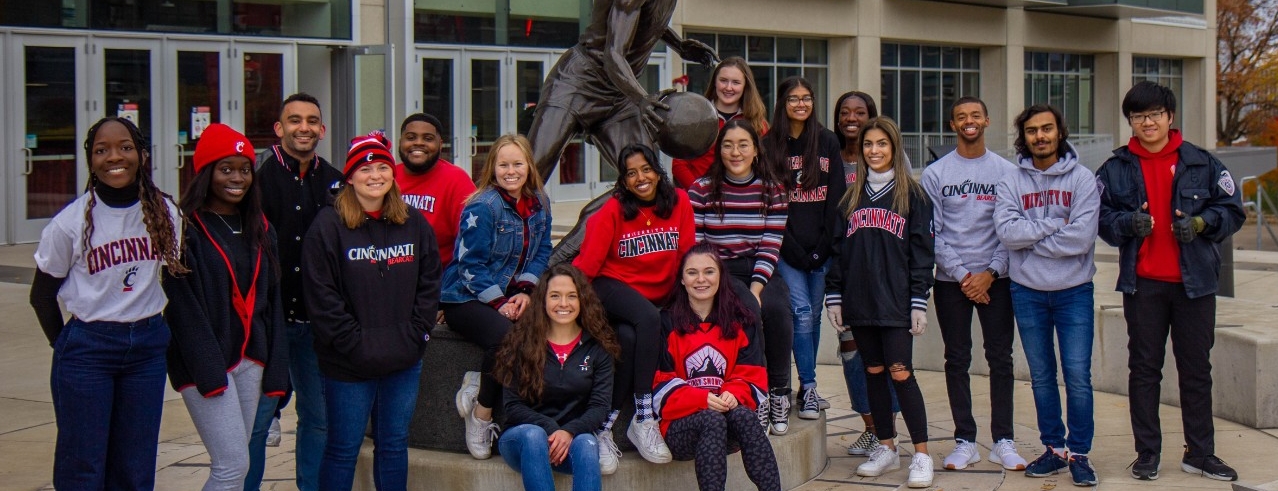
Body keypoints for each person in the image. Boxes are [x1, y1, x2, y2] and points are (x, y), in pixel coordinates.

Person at [1096, 81, 1244, 482]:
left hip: (1194, 285)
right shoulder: (1115, 168)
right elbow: (1100, 220)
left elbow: (1232, 211)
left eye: (1155, 114)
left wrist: (1202, 223)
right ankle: (1147, 452)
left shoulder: (1203, 162)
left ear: (1170, 117)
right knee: (1144, 370)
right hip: (1143, 285)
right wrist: (1128, 223)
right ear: (1131, 121)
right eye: (1139, 116)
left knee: (1196, 370)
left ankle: (1200, 453)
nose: (1148, 122)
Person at [29, 116, 185, 489]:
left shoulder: (165, 213)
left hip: (146, 349)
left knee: (135, 464)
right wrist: (66, 345)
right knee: (83, 464)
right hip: (88, 349)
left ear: (142, 155)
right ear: (91, 159)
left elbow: (173, 281)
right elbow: (41, 296)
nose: (115, 156)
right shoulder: (70, 223)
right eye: (102, 150)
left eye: (125, 147)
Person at [527, 0, 717, 263]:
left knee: (649, 182)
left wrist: (679, 45)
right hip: (578, 82)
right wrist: (641, 99)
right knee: (527, 175)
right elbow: (613, 54)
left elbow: (647, 20)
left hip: (618, 94)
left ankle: (552, 266)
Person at [302, 132, 441, 490]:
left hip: (404, 358)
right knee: (343, 448)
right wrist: (354, 343)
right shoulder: (327, 226)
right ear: (350, 177)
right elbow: (322, 296)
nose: (375, 175)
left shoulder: (412, 222)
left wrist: (416, 335)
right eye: (365, 169)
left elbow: (429, 284)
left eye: (382, 167)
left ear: (393, 174)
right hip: (348, 362)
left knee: (394, 445)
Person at [163, 123, 289, 490]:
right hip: (208, 364)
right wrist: (210, 374)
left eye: (244, 168)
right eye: (226, 168)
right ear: (206, 173)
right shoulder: (184, 229)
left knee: (240, 461)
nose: (237, 178)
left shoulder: (261, 226)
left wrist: (277, 369)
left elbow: (273, 302)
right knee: (232, 465)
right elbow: (182, 310)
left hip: (252, 360)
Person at [993, 104, 1101, 487]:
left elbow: (1082, 238)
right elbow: (1007, 233)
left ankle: (1080, 453)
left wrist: (1032, 237)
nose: (1040, 136)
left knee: (1077, 376)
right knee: (1041, 376)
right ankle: (1054, 449)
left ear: (1060, 131)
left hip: (1074, 291)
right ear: (1023, 137)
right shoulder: (1011, 181)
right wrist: (1057, 225)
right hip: (1028, 292)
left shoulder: (1083, 179)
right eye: (1033, 131)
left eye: (1047, 129)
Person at [825, 116, 935, 488]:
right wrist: (834, 295)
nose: (874, 150)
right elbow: (838, 252)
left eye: (882, 144)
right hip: (860, 301)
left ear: (895, 147)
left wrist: (919, 300)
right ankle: (886, 446)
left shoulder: (914, 196)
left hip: (897, 303)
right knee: (872, 371)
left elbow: (922, 255)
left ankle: (921, 454)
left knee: (901, 372)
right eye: (868, 144)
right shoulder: (851, 197)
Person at [920, 96, 1028, 472]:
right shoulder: (936, 174)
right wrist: (965, 276)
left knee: (1001, 359)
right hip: (953, 282)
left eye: (975, 116)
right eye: (961, 117)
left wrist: (990, 273)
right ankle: (965, 440)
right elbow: (934, 233)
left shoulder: (1006, 172)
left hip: (996, 280)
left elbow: (1009, 229)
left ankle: (1003, 440)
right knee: (957, 359)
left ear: (987, 120)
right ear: (953, 125)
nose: (969, 122)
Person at [573, 143, 696, 467]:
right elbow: (587, 266)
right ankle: (644, 416)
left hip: (655, 296)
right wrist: (567, 308)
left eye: (646, 169)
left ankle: (603, 427)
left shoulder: (679, 202)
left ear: (657, 170)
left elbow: (686, 254)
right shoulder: (612, 212)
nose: (640, 178)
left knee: (628, 338)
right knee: (646, 318)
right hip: (610, 285)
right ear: (623, 181)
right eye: (631, 173)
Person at [250, 92, 342, 491]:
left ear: (321, 129)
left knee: (318, 417)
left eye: (311, 121)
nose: (303, 128)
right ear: (279, 128)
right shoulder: (256, 178)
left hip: (316, 323)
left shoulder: (336, 181)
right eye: (294, 120)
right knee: (258, 418)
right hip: (269, 321)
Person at [443, 134, 553, 460]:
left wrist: (524, 292)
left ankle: (479, 378)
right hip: (465, 296)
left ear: (528, 167)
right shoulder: (483, 206)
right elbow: (469, 265)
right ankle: (482, 415)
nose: (511, 171)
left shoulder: (540, 203)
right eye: (503, 164)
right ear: (492, 168)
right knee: (507, 337)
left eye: (517, 164)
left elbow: (541, 251)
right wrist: (500, 302)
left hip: (510, 294)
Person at [686, 120, 794, 435]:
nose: (736, 152)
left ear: (755, 150)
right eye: (728, 145)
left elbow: (771, 245)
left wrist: (758, 287)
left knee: (779, 312)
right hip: (720, 270)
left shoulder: (773, 190)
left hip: (761, 267)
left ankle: (779, 391)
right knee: (750, 312)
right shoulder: (702, 189)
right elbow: (699, 246)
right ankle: (755, 394)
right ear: (719, 151)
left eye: (743, 144)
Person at [654, 243, 781, 491]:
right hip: (680, 429)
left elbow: (754, 378)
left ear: (721, 276)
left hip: (728, 424)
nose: (701, 279)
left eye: (709, 271)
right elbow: (659, 388)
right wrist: (702, 399)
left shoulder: (740, 321)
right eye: (692, 273)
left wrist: (734, 393)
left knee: (744, 416)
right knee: (711, 420)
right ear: (681, 279)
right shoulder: (665, 323)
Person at [761, 76, 846, 420]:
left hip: (821, 248)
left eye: (807, 98)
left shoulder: (827, 142)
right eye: (794, 98)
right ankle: (809, 386)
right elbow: (769, 202)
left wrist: (823, 246)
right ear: (782, 103)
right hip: (787, 249)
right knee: (801, 314)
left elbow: (836, 197)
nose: (801, 104)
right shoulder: (769, 146)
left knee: (811, 317)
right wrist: (792, 248)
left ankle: (805, 386)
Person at [493, 264, 620, 490]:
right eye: (555, 296)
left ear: (582, 301)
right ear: (542, 300)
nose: (563, 304)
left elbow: (600, 407)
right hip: (522, 439)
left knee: (587, 443)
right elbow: (512, 406)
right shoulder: (523, 343)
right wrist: (551, 429)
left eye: (571, 296)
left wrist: (569, 431)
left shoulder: (598, 348)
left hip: (572, 440)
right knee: (534, 436)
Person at [830, 90, 901, 457]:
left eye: (860, 112)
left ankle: (888, 428)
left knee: (886, 354)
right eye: (845, 112)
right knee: (851, 352)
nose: (852, 118)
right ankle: (871, 427)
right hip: (844, 264)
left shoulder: (881, 157)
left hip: (882, 273)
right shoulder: (829, 154)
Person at [672, 57, 768, 188]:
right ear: (715, 82)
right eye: (723, 80)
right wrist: (699, 192)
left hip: (742, 198)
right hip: (701, 200)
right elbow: (679, 164)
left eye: (736, 82)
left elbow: (764, 164)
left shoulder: (757, 123)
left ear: (745, 85)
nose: (728, 87)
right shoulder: (695, 117)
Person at [395, 112, 476, 268]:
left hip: (441, 279)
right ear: (400, 142)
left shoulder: (456, 179)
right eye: (411, 138)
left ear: (440, 144)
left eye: (428, 138)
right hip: (393, 276)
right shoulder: (387, 177)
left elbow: (471, 240)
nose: (418, 143)